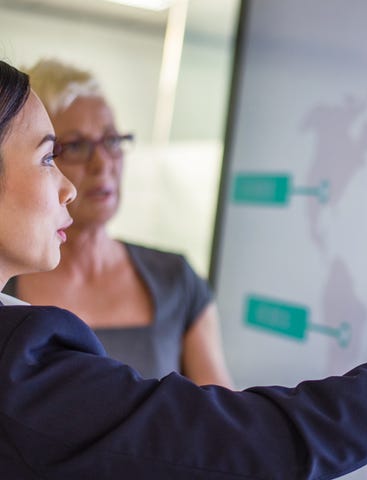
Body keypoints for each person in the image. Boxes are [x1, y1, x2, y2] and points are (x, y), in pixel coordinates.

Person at [0, 59, 367, 479]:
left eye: (111, 143)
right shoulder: (21, 361)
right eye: (53, 155)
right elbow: (258, 442)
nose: (73, 186)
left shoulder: (164, 283)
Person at [0, 58, 233, 387]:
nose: (103, 163)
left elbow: (220, 416)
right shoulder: (7, 281)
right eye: (75, 146)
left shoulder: (175, 279)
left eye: (111, 141)